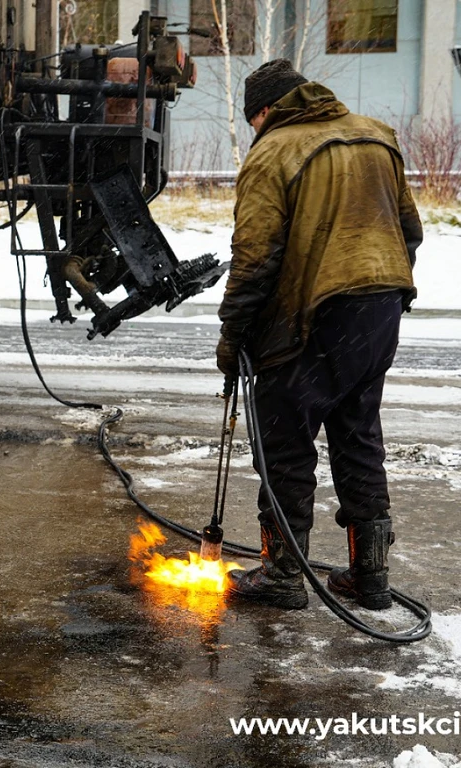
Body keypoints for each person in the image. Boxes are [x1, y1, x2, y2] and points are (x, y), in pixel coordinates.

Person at [216, 60, 423, 611]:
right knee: (358, 438)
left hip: (314, 317)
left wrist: (233, 335)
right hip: (379, 311)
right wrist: (376, 299)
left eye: (252, 119)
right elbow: (410, 232)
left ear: (264, 111)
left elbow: (255, 256)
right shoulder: (376, 136)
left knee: (284, 442)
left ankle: (282, 576)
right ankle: (369, 576)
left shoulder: (273, 150)